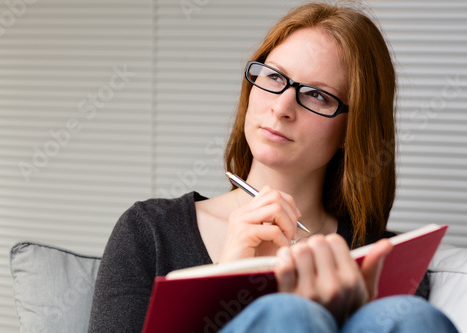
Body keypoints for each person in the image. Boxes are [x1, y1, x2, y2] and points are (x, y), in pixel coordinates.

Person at [88, 2, 458, 332]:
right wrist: (225, 280)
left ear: (352, 128)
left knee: (411, 318)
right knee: (289, 316)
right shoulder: (150, 231)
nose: (281, 107)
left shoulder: (382, 258)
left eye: (317, 94)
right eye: (275, 77)